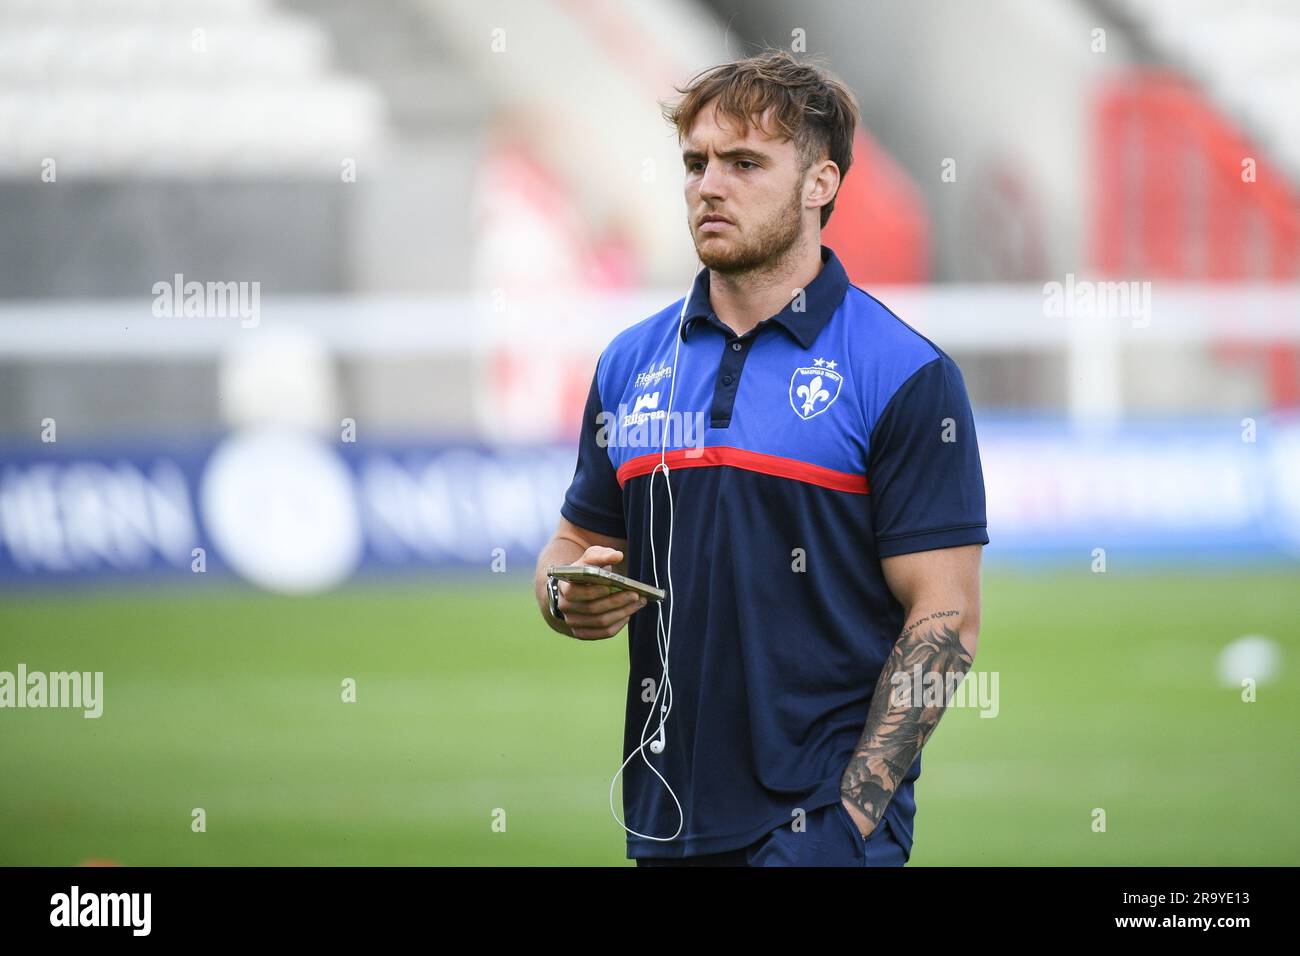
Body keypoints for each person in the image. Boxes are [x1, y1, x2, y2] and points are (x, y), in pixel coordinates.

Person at [534, 49, 987, 866]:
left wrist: (855, 815)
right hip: (664, 818)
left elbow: (946, 620)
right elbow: (569, 549)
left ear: (821, 184)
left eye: (745, 163)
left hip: (819, 828)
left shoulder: (904, 374)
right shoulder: (629, 366)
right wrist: (563, 596)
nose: (710, 185)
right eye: (696, 163)